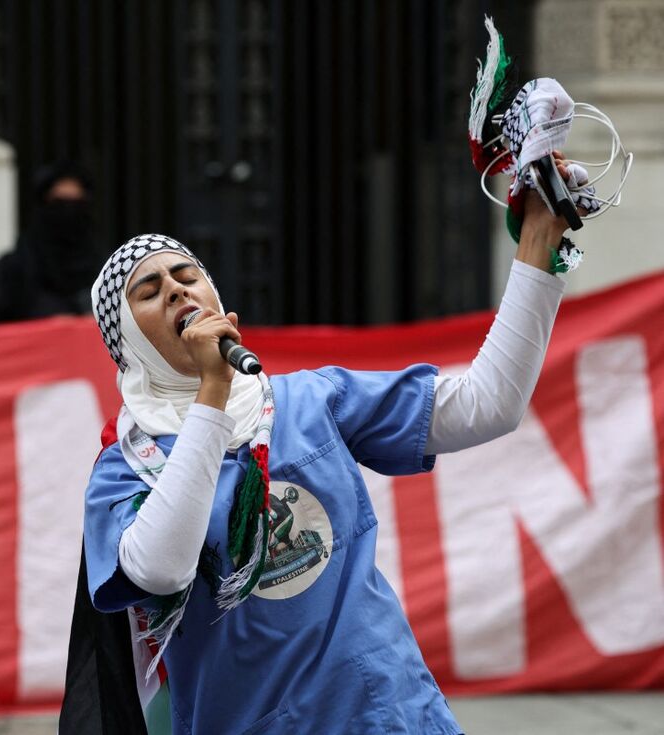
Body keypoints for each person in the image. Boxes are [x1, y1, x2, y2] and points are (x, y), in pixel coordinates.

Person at [64, 164, 578, 733]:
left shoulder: (311, 399)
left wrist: (538, 240)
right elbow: (161, 569)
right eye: (149, 290)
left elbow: (490, 403)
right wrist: (213, 392)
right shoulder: (124, 469)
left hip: (392, 715)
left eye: (187, 274)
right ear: (127, 343)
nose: (176, 289)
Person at [0, 160, 101, 327]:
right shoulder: (10, 272)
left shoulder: (107, 271)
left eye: (77, 204)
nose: (69, 213)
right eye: (59, 204)